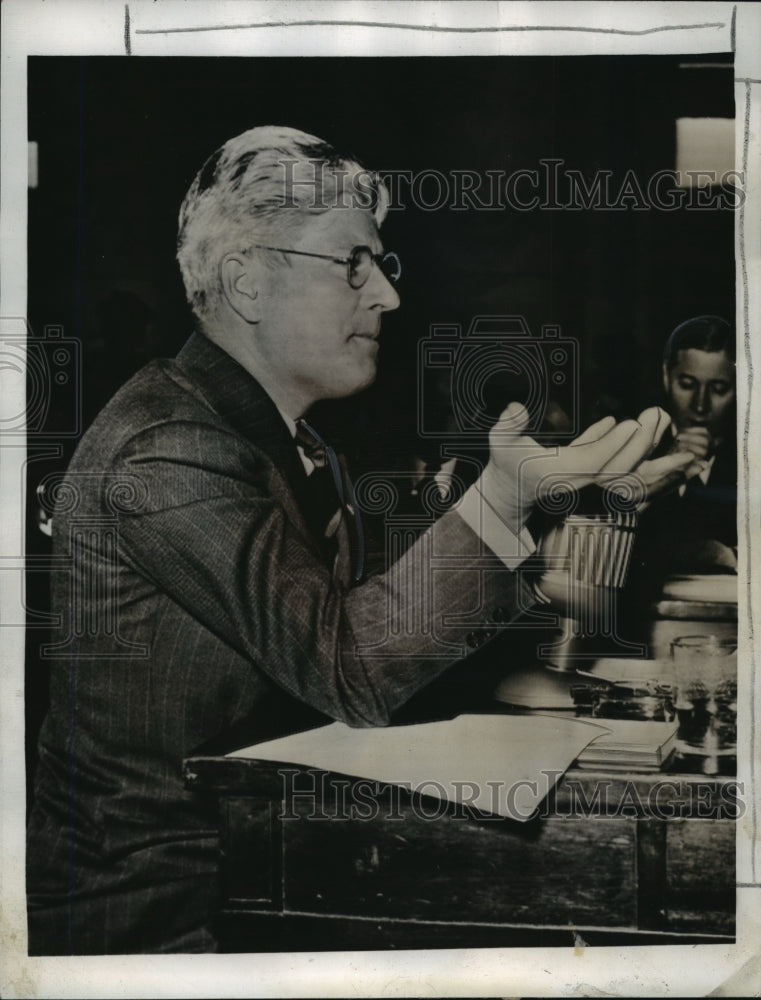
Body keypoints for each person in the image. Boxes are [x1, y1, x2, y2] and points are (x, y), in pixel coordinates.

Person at [26, 126, 692, 954]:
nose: (386, 295)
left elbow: (375, 612)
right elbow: (350, 666)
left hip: (263, 865)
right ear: (248, 282)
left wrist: (557, 502)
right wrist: (502, 498)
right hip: (156, 918)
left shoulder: (273, 435)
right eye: (351, 263)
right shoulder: (170, 449)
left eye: (381, 263)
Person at [629, 314, 737, 586]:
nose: (700, 405)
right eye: (687, 385)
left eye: (719, 388)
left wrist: (729, 556)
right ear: (666, 377)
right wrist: (666, 469)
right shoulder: (631, 447)